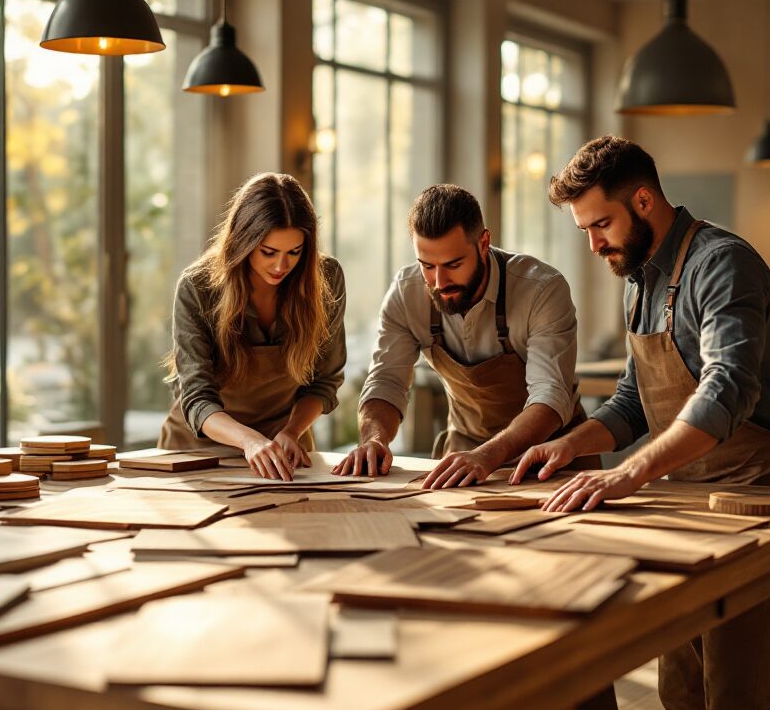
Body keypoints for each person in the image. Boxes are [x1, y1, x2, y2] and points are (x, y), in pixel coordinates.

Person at [512, 135, 770, 710]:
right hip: (686, 493)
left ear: (644, 201)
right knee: (682, 693)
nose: (593, 244)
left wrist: (630, 474)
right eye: (585, 230)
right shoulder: (638, 279)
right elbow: (632, 402)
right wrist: (569, 444)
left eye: (601, 224)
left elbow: (727, 388)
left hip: (755, 490)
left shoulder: (723, 264)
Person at [334, 183, 596, 488]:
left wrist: (489, 455)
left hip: (555, 458)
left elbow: (550, 397)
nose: (439, 282)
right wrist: (374, 439)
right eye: (427, 266)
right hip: (464, 455)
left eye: (453, 264)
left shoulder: (540, 290)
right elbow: (386, 382)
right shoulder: (406, 294)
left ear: (484, 243)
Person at [160, 172, 346, 481]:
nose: (281, 266)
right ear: (242, 241)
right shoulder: (198, 287)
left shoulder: (326, 278)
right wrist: (250, 440)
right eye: (268, 252)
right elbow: (197, 397)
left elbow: (324, 381)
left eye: (294, 252)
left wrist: (292, 431)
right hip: (197, 451)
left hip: (284, 449)